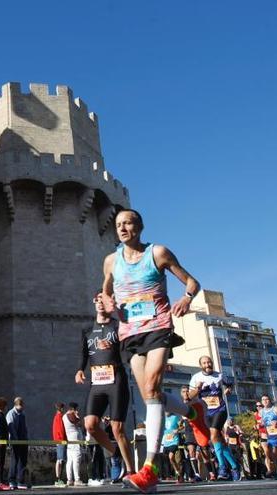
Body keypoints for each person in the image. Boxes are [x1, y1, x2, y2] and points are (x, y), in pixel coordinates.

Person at [100, 209, 210, 493]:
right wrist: (107, 305)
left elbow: (192, 283)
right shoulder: (111, 261)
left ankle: (150, 468)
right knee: (151, 395)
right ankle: (192, 411)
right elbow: (105, 294)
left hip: (159, 327)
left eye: (128, 223)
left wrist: (186, 299)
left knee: (151, 385)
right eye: (119, 224)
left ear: (140, 226)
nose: (123, 228)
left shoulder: (158, 253)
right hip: (130, 333)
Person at [75, 292, 136, 483]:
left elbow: (129, 351)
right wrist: (79, 370)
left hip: (116, 378)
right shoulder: (86, 330)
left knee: (118, 428)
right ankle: (115, 452)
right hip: (96, 381)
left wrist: (115, 347)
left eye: (104, 300)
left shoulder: (117, 326)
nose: (100, 303)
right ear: (94, 303)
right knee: (90, 425)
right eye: (97, 300)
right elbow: (84, 354)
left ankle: (131, 471)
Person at [189, 355, 239, 480]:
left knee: (213, 435)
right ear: (201, 365)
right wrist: (198, 388)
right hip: (206, 413)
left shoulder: (220, 375)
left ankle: (222, 468)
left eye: (209, 362)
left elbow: (230, 384)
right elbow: (190, 396)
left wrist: (228, 390)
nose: (207, 365)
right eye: (204, 363)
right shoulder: (196, 378)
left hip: (220, 410)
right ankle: (234, 466)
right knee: (219, 441)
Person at [6, 397, 28, 490]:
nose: (23, 406)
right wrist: (16, 440)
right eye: (21, 405)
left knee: (23, 461)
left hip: (23, 440)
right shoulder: (11, 413)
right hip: (16, 441)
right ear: (17, 404)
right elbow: (11, 428)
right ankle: (12, 480)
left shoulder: (22, 414)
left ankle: (20, 481)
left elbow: (24, 428)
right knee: (14, 461)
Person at [61, 402, 85, 486]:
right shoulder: (71, 415)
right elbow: (80, 424)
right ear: (74, 409)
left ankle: (69, 479)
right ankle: (77, 480)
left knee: (70, 461)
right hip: (75, 440)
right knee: (76, 460)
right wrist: (78, 416)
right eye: (76, 409)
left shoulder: (64, 416)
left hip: (70, 439)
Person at [161, 412, 184, 483]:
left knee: (171, 457)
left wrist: (177, 430)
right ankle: (178, 473)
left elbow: (182, 426)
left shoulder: (175, 417)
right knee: (170, 460)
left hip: (174, 441)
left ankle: (179, 474)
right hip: (166, 442)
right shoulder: (163, 418)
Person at [51, 403, 67, 487]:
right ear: (61, 408)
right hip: (61, 441)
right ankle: (58, 479)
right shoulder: (59, 416)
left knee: (60, 459)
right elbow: (61, 429)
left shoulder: (57, 416)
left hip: (59, 440)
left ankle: (59, 478)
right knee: (60, 460)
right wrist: (63, 440)